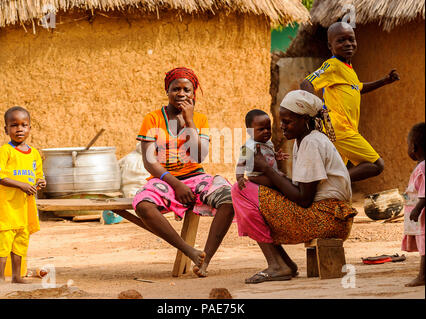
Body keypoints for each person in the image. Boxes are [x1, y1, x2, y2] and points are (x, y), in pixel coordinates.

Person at [115, 67, 234, 278]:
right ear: (167, 91)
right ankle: (189, 250)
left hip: (196, 177)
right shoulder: (153, 119)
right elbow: (149, 161)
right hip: (164, 180)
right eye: (175, 89)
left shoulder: (200, 120)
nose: (181, 94)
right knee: (143, 205)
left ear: (193, 93)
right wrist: (176, 184)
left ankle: (205, 259)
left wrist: (189, 122)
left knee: (229, 198)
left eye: (186, 90)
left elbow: (199, 156)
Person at [231, 90, 357, 284]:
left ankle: (277, 264)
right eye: (281, 121)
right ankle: (284, 263)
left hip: (328, 217)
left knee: (240, 191)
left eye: (287, 122)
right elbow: (300, 190)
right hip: (327, 214)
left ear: (305, 119)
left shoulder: (312, 143)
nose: (281, 127)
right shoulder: (304, 141)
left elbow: (304, 199)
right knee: (249, 192)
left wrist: (267, 169)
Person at [300, 22, 400, 182]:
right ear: (330, 45)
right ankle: (334, 181)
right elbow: (307, 83)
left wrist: (384, 81)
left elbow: (358, 88)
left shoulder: (348, 68)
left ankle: (325, 194)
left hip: (344, 128)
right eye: (341, 40)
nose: (348, 44)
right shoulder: (332, 65)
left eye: (351, 39)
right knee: (376, 164)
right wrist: (315, 113)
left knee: (335, 169)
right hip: (339, 127)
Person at [0, 106, 46, 287]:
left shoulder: (34, 153)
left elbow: (38, 174)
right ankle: (0, 277)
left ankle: (16, 276)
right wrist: (21, 185)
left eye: (24, 125)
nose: (19, 129)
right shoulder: (5, 151)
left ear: (30, 128)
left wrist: (41, 182)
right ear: (6, 129)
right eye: (14, 125)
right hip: (9, 204)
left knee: (22, 239)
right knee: (5, 238)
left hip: (26, 205)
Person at [236, 109, 288, 190]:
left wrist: (275, 155)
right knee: (279, 182)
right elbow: (240, 163)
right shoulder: (248, 146)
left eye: (268, 128)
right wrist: (240, 178)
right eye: (261, 129)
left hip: (270, 172)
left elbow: (267, 153)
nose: (266, 131)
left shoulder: (268, 142)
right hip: (257, 176)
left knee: (283, 177)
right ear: (249, 131)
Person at [401, 122, 425, 287]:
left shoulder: (423, 167)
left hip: (423, 218)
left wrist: (417, 209)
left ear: (414, 147)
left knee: (425, 248)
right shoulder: (421, 166)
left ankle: (423, 276)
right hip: (420, 217)